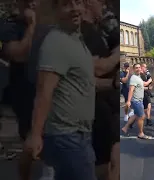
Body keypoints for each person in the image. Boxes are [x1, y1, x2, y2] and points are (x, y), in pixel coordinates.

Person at [26, 0, 97, 179]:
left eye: (77, 2)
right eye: (66, 4)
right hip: (66, 136)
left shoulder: (76, 40)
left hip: (79, 135)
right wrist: (35, 135)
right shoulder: (56, 42)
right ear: (56, 11)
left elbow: (82, 82)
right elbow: (43, 92)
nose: (74, 8)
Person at [0, 0, 55, 179]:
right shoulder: (11, 26)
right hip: (25, 94)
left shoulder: (49, 25)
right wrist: (32, 25)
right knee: (31, 144)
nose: (34, 3)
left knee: (49, 142)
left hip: (47, 91)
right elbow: (20, 54)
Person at [81, 0, 119, 179]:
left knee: (111, 160)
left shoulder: (96, 32)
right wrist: (119, 54)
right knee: (104, 164)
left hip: (105, 108)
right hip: (96, 108)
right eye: (101, 2)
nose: (103, 6)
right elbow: (96, 69)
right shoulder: (84, 32)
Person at [121, 63, 151, 139]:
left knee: (136, 115)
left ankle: (125, 128)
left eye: (139, 67)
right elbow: (131, 89)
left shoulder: (139, 77)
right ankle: (141, 133)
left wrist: (148, 86)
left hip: (139, 100)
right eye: (136, 68)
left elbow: (141, 86)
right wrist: (128, 101)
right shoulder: (134, 78)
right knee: (141, 116)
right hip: (137, 101)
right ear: (133, 70)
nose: (138, 69)